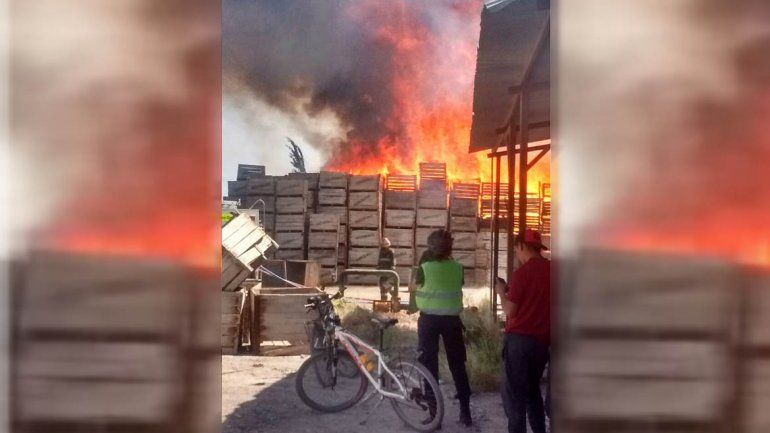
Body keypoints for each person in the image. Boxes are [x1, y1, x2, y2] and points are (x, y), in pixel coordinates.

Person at [495, 229, 551, 433]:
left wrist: (502, 293)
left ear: (520, 246)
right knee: (533, 392)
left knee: (516, 399)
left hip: (519, 343)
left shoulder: (522, 273)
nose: (517, 254)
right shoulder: (554, 271)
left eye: (516, 250)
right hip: (542, 342)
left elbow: (511, 310)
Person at [415, 229, 472, 427]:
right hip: (452, 321)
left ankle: (434, 416)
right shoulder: (458, 267)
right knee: (458, 366)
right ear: (450, 247)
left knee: (429, 367)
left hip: (429, 321)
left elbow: (414, 288)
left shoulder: (424, 268)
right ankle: (466, 414)